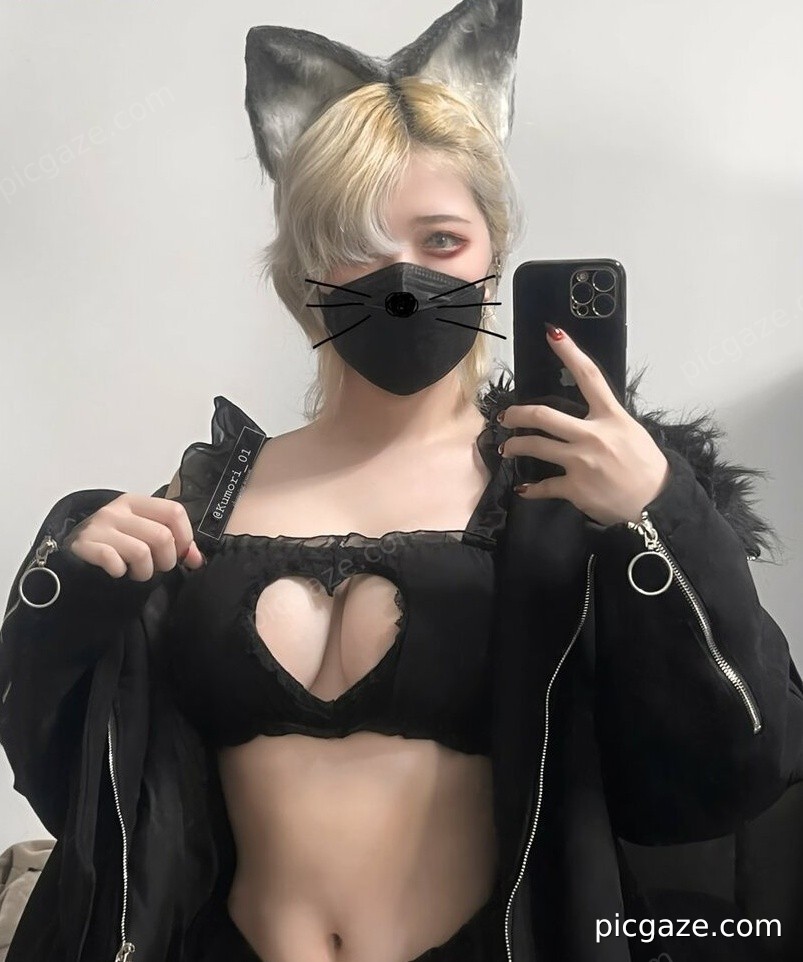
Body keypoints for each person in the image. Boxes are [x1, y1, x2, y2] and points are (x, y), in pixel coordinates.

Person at [2, 2, 803, 960]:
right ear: (304, 266)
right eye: (358, 244)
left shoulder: (557, 495)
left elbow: (733, 768)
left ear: (493, 257)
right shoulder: (205, 495)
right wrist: (68, 594)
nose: (401, 280)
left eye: (440, 242)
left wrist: (657, 515)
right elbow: (76, 784)